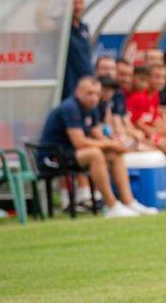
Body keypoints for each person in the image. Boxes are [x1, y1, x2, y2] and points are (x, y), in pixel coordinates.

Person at [38, 76, 157, 217]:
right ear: (78, 92)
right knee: (95, 154)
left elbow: (97, 134)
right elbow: (80, 142)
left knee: (114, 154)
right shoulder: (70, 107)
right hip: (51, 158)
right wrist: (108, 143)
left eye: (97, 94)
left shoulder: (91, 108)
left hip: (71, 154)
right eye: (89, 93)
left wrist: (116, 144)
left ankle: (128, 202)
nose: (94, 98)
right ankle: (112, 206)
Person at [125, 66, 166, 159]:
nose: (161, 81)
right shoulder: (138, 97)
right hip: (138, 135)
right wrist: (162, 133)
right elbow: (138, 124)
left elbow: (154, 119)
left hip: (146, 133)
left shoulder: (154, 95)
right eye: (157, 77)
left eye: (164, 77)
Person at [62, 0, 92, 100]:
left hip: (86, 91)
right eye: (75, 3)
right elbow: (41, 22)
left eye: (81, 3)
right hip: (68, 91)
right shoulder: (60, 28)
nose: (78, 7)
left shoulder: (84, 28)